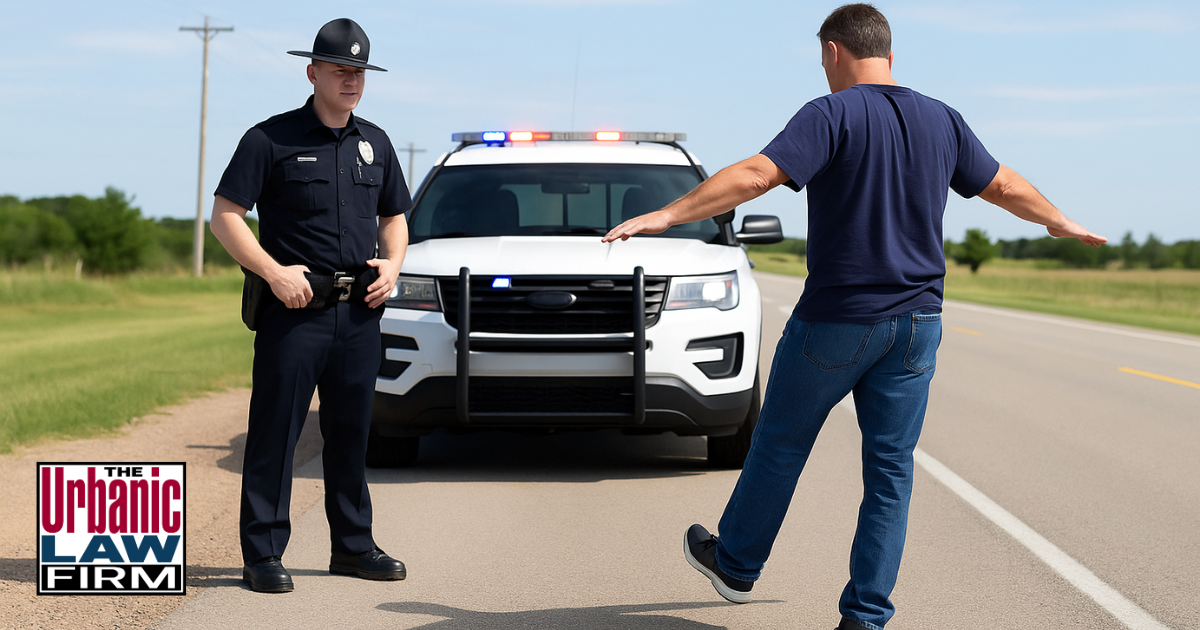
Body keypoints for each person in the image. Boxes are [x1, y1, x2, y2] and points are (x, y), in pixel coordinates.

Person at [602, 4, 1106, 629]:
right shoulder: (943, 118)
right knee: (891, 472)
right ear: (888, 55)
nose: (823, 71)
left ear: (835, 52)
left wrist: (666, 216)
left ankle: (734, 563)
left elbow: (759, 174)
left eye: (822, 60)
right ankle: (866, 617)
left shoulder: (829, 114)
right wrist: (1058, 218)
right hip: (919, 324)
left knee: (781, 444)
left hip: (839, 318)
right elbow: (1002, 185)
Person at [210, 18, 412, 593]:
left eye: (360, 72)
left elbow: (394, 218)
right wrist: (272, 273)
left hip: (360, 314)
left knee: (351, 433)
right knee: (277, 432)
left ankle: (353, 547)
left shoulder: (377, 142)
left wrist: (392, 266)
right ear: (313, 72)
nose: (352, 80)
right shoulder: (269, 139)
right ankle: (263, 554)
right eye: (341, 70)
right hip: (294, 311)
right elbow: (226, 215)